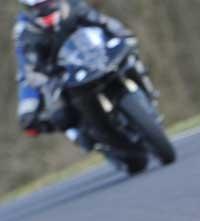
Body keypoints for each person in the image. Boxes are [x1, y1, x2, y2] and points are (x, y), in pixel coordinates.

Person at [14, 0, 140, 150]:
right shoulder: (26, 31)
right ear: (28, 9)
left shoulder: (73, 6)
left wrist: (123, 35)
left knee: (129, 56)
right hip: (65, 76)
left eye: (47, 4)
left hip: (97, 57)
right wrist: (48, 82)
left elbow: (102, 21)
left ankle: (146, 90)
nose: (44, 10)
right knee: (59, 115)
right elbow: (29, 70)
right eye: (38, 8)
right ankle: (84, 136)